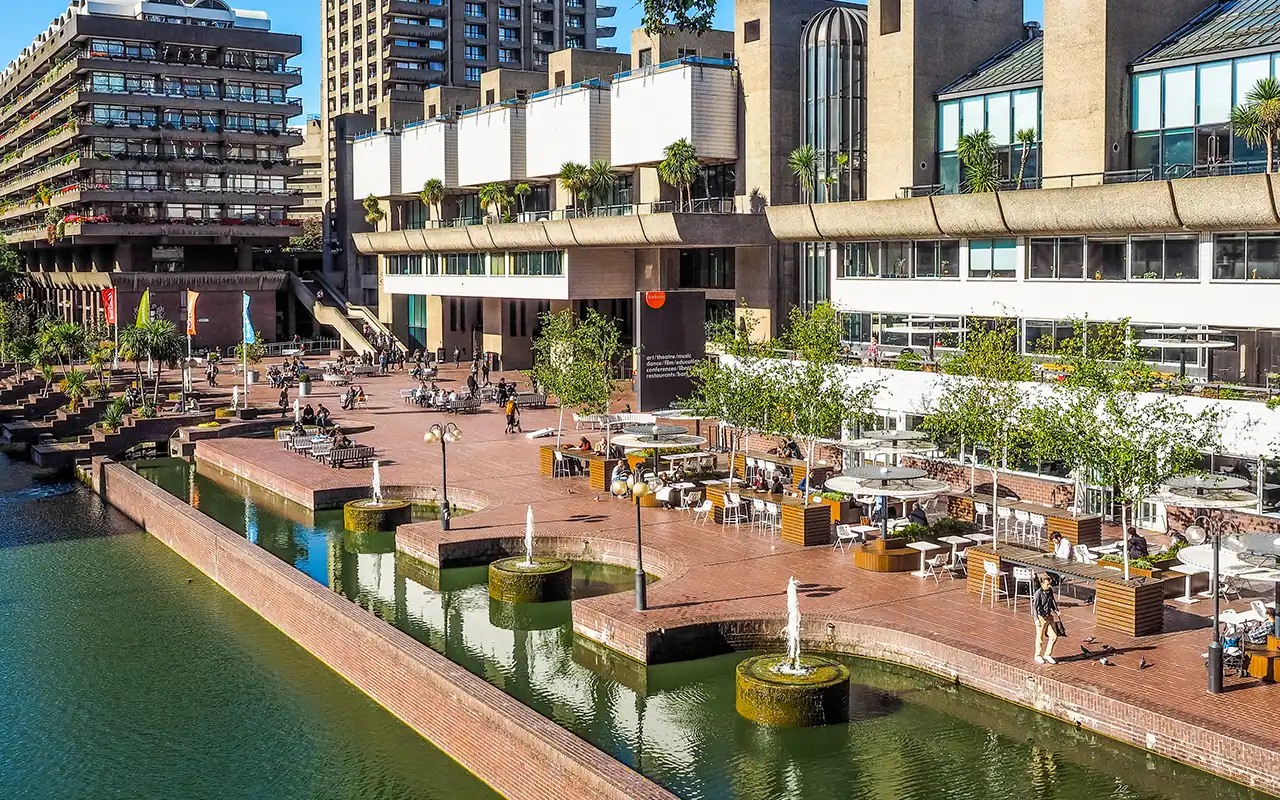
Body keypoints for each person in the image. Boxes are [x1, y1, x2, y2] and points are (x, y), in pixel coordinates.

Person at [1032, 573, 1061, 665]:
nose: (1049, 586)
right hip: (1041, 617)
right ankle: (1037, 655)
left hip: (1049, 616)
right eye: (1047, 584)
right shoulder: (1038, 593)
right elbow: (1034, 607)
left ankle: (1047, 654)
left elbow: (1052, 602)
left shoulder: (1050, 591)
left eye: (1049, 584)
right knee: (1040, 638)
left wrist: (1056, 610)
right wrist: (1036, 619)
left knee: (1054, 636)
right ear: (1042, 584)